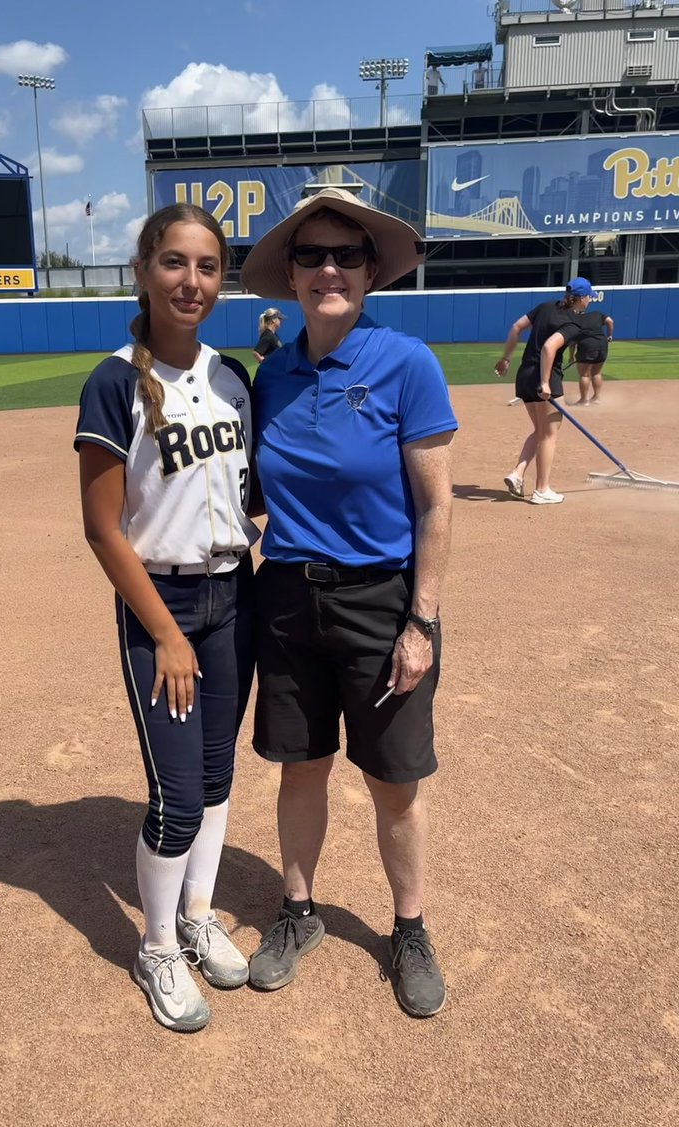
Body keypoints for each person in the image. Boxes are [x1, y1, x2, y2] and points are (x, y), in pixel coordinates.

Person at [240, 187, 457, 1019]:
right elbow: (253, 493)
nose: (328, 268)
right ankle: (298, 915)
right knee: (302, 769)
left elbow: (437, 506)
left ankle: (409, 929)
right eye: (310, 255)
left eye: (346, 255)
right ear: (290, 275)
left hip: (380, 600)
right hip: (289, 597)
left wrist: (422, 620)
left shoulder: (406, 363)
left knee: (394, 781)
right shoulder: (273, 376)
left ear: (371, 272)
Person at [74, 203, 259, 1033]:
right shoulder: (114, 382)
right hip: (166, 610)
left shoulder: (232, 377)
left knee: (218, 780)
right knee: (177, 799)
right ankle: (155, 945)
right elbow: (101, 528)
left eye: (209, 266)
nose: (193, 281)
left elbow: (252, 498)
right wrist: (167, 633)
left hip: (235, 597)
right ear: (146, 270)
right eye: (176, 263)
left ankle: (196, 913)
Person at [494, 277, 597, 504]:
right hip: (544, 378)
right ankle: (542, 490)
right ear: (582, 299)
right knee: (550, 434)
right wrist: (545, 382)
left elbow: (516, 328)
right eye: (590, 296)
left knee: (540, 431)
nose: (591, 300)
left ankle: (517, 473)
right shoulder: (573, 323)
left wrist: (506, 359)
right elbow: (550, 347)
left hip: (524, 376)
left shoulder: (545, 306)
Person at [569, 306, 614, 406]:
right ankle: (597, 398)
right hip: (602, 345)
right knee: (597, 373)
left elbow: (572, 344)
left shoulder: (574, 321)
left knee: (584, 374)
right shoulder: (596, 314)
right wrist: (610, 335)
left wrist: (571, 357)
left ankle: (584, 400)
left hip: (587, 346)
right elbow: (610, 321)